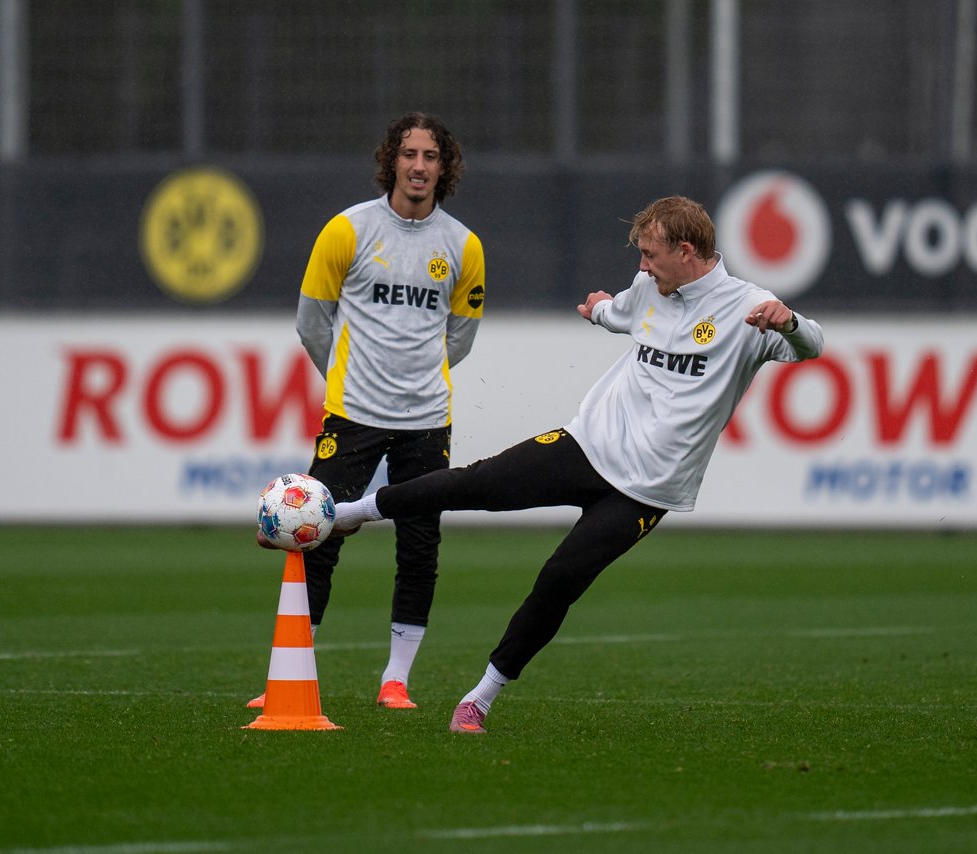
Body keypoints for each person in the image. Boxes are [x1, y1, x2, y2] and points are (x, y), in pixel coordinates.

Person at [264, 195, 822, 733]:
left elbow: (812, 346)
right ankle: (352, 512)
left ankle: (479, 697)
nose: (643, 266)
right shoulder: (649, 289)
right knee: (478, 483)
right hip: (587, 444)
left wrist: (789, 323)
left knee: (561, 579)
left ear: (686, 250)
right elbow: (619, 312)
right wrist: (598, 309)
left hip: (648, 490)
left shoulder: (749, 308)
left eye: (651, 255)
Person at [287, 111, 486, 711]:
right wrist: (348, 380)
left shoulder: (463, 246)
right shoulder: (347, 231)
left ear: (444, 167)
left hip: (426, 418)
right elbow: (310, 322)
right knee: (316, 534)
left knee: (420, 542)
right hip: (353, 411)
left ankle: (395, 680)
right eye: (409, 154)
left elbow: (462, 335)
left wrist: (416, 379)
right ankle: (295, 671)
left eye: (430, 156)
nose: (419, 166)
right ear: (391, 161)